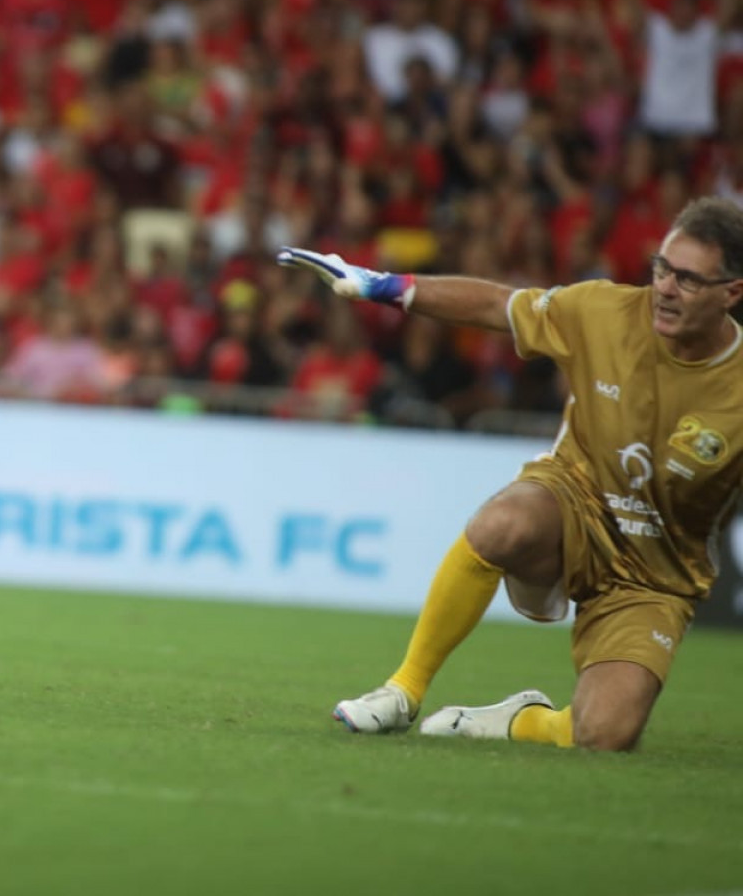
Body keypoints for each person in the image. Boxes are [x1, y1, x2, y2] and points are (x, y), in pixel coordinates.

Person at [278, 196, 743, 750]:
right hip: (575, 501)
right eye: (662, 268)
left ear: (731, 292)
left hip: (653, 575)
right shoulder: (603, 311)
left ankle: (519, 719)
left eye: (688, 280)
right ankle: (402, 690)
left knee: (604, 735)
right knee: (501, 526)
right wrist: (386, 285)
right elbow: (498, 305)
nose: (665, 288)